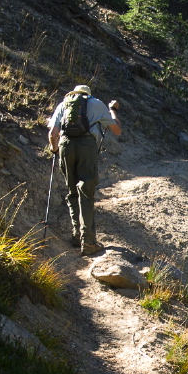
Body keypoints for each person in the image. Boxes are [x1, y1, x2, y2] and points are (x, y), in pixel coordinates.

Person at [47, 84, 121, 256]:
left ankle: (76, 235)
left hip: (65, 146)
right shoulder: (96, 103)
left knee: (72, 192)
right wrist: (113, 110)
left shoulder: (63, 104)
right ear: (88, 94)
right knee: (86, 192)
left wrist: (55, 150)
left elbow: (52, 134)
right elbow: (116, 129)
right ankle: (88, 243)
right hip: (87, 146)